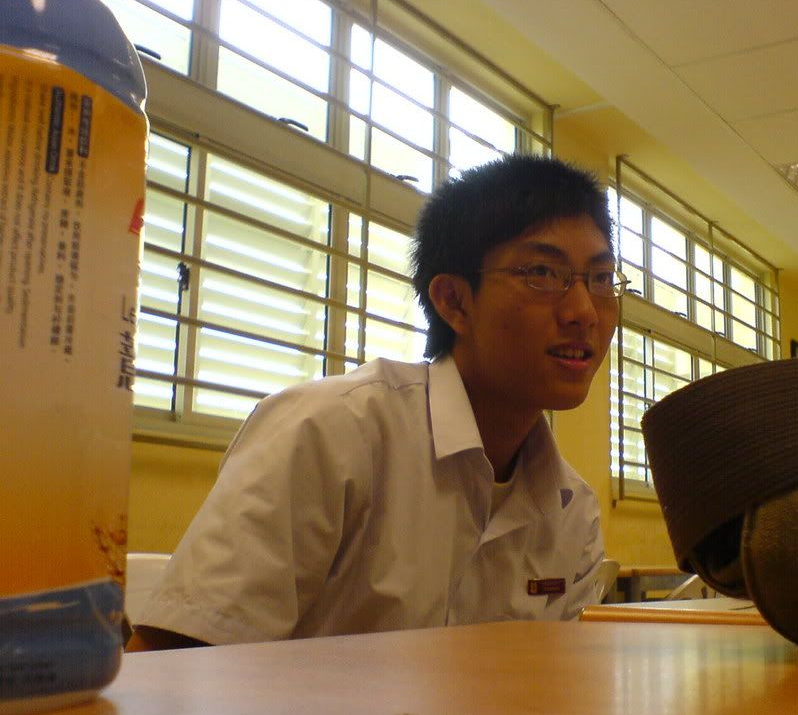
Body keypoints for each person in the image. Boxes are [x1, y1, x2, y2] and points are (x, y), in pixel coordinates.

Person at [127, 154, 624, 650]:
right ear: (454, 301)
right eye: (542, 272)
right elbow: (174, 668)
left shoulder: (573, 512)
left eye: (601, 279)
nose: (584, 311)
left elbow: (546, 684)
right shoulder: (330, 434)